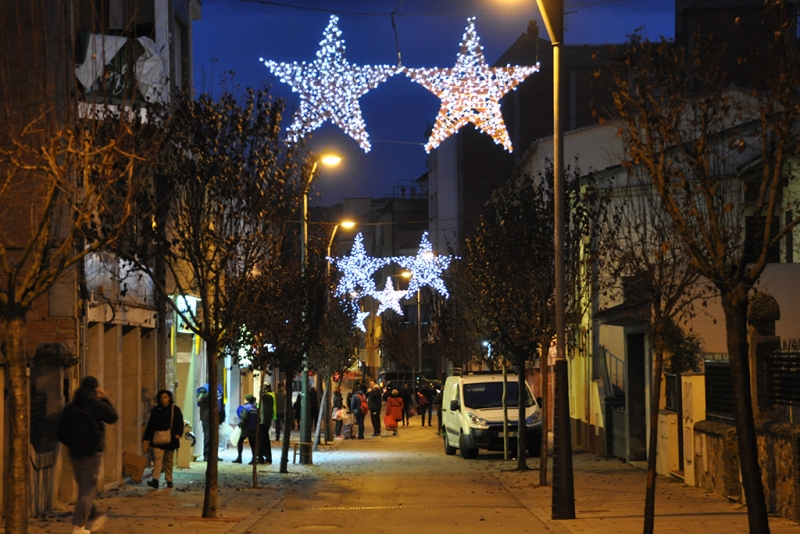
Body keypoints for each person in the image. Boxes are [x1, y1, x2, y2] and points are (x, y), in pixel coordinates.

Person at [62, 375, 118, 534]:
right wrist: (104, 399)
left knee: (84, 488)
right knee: (87, 489)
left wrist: (72, 444)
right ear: (95, 388)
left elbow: (60, 430)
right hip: (93, 452)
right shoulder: (96, 404)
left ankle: (92, 516)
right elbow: (113, 417)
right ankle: (78, 526)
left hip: (75, 453)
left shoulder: (71, 407)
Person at [143, 390, 184, 489]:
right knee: (157, 460)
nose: (163, 399)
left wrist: (178, 434)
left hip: (171, 439)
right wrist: (146, 438)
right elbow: (151, 425)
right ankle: (155, 480)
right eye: (161, 397)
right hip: (157, 439)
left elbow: (179, 423)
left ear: (169, 398)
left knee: (168, 461)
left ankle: (169, 479)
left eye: (165, 397)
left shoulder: (175, 410)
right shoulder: (156, 410)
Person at [196, 383, 224, 461]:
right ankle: (207, 455)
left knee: (215, 437)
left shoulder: (219, 389)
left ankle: (214, 455)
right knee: (208, 437)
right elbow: (199, 399)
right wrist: (210, 394)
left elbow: (221, 404)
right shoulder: (204, 389)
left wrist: (221, 417)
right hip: (207, 417)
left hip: (216, 417)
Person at [234, 395, 258, 464]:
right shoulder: (255, 408)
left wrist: (240, 425)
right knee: (253, 444)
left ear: (246, 400)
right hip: (253, 428)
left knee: (240, 441)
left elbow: (244, 418)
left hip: (246, 428)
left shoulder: (246, 408)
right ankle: (254, 459)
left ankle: (239, 458)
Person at [258, 385, 274, 464]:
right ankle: (262, 456)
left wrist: (261, 389)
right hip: (264, 420)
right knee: (263, 439)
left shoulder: (268, 397)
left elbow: (262, 395)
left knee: (262, 439)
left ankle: (264, 457)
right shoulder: (268, 397)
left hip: (264, 421)